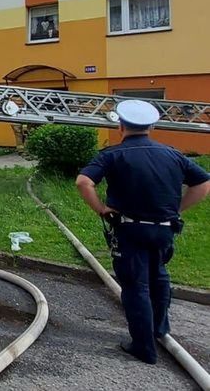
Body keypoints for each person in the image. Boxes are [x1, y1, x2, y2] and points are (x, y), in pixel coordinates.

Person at [76, 99, 210, 364]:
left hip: (130, 229)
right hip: (164, 231)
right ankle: (159, 329)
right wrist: (177, 209)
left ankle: (143, 347)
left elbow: (83, 181)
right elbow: (203, 183)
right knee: (159, 277)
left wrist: (101, 208)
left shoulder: (112, 154)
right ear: (151, 126)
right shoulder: (172, 154)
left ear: (121, 126)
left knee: (136, 286)